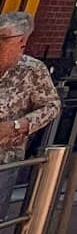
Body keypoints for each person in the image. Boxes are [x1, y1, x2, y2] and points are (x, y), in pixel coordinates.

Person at [0, 11, 60, 165]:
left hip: (5, 160)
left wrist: (16, 126)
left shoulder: (32, 69)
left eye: (3, 38)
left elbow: (51, 106)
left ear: (22, 41)